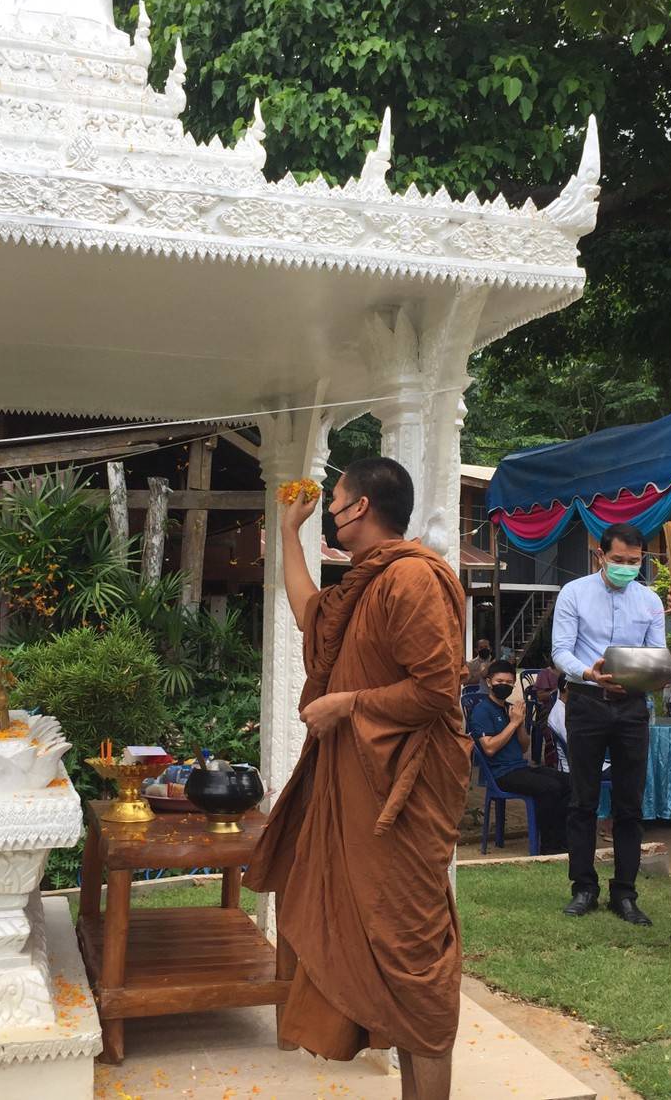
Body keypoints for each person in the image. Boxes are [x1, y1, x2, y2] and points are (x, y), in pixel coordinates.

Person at [243, 457, 469, 1100]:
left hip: (399, 798)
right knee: (376, 943)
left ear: (360, 506)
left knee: (411, 953)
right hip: (357, 788)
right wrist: (289, 534)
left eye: (336, 500)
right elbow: (309, 613)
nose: (331, 509)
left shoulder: (413, 581)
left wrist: (348, 705)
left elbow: (434, 689)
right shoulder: (365, 584)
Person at [551, 522, 666, 924]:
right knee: (582, 800)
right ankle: (583, 887)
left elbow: (657, 654)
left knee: (629, 804)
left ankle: (625, 893)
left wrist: (647, 678)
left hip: (632, 706)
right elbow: (561, 651)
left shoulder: (650, 601)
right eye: (618, 560)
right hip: (586, 702)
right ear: (601, 555)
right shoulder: (574, 593)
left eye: (634, 562)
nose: (626, 567)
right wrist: (588, 673)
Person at [467, 660, 569, 852]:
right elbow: (489, 749)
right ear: (489, 682)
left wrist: (520, 723)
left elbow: (523, 747)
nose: (503, 685)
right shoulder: (482, 711)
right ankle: (548, 846)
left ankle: (565, 840)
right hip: (501, 773)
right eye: (499, 681)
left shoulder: (509, 709)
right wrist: (513, 724)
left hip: (519, 767)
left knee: (568, 782)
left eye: (508, 682)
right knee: (550, 788)